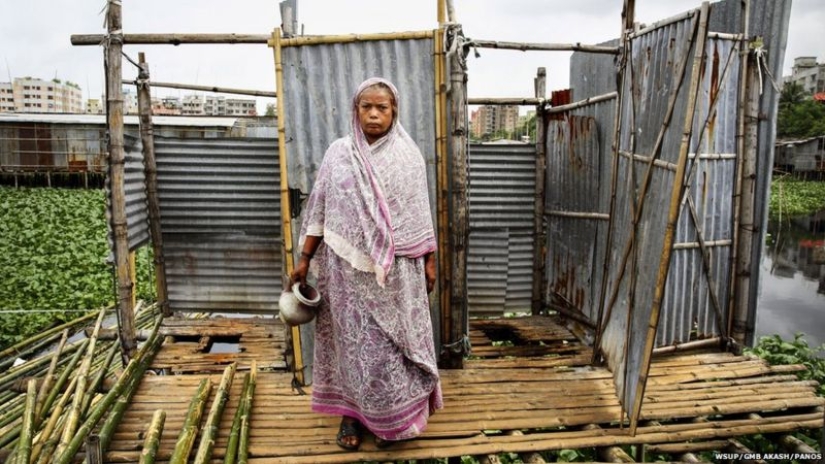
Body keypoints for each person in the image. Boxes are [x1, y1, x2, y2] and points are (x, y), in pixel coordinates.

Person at [290, 77, 442, 450]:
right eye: (366, 107)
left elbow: (419, 215)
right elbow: (321, 211)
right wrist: (305, 259)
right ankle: (351, 419)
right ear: (355, 111)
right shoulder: (338, 153)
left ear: (394, 112)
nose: (374, 114)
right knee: (352, 347)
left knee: (390, 349)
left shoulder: (408, 157)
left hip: (396, 272)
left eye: (382, 108)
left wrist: (431, 261)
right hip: (344, 272)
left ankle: (394, 421)